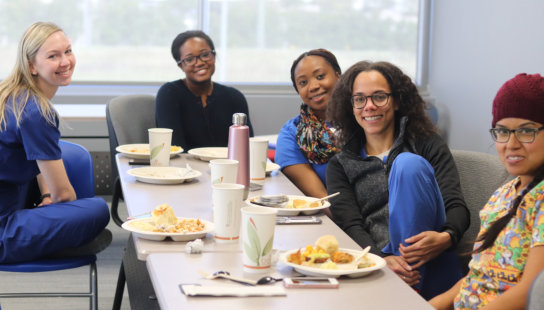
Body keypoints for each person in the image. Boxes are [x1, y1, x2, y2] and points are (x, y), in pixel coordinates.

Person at [326, 60, 469, 299]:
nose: (369, 106)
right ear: (350, 106)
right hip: (378, 266)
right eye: (359, 99)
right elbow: (350, 225)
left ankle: (407, 292)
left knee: (407, 163)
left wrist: (447, 237)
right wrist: (382, 260)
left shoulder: (426, 144)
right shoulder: (340, 164)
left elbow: (455, 204)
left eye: (379, 97)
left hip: (434, 263)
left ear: (397, 101)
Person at [430, 73, 544, 309]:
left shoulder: (540, 200)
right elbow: (478, 277)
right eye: (502, 131)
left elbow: (530, 294)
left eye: (526, 131)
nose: (511, 143)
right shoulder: (503, 194)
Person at [0, 22, 110, 263]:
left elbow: (35, 159)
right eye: (53, 56)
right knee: (98, 210)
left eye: (68, 51)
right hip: (4, 229)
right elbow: (64, 196)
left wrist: (46, 195)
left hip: (15, 200)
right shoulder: (35, 112)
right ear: (32, 66)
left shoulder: (15, 97)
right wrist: (62, 210)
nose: (65, 62)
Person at [156, 30, 254, 151]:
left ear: (214, 56)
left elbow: (247, 145)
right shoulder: (169, 93)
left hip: (227, 166)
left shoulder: (233, 97)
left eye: (205, 55)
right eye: (190, 59)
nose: (200, 63)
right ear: (181, 65)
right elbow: (174, 148)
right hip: (184, 167)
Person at [275, 49, 341, 210]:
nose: (313, 86)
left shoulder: (365, 118)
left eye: (320, 76)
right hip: (339, 220)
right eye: (303, 83)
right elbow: (322, 200)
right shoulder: (292, 134)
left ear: (339, 76)